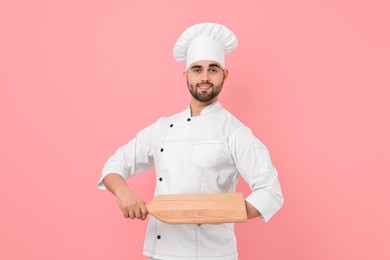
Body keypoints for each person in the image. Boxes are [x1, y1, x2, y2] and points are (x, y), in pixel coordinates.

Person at [98, 22, 284, 260]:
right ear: (186, 75)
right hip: (160, 252)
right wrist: (124, 193)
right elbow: (114, 165)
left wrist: (218, 214)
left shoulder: (235, 132)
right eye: (197, 69)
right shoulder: (162, 128)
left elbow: (271, 191)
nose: (204, 77)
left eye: (213, 69)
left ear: (224, 74)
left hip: (212, 254)